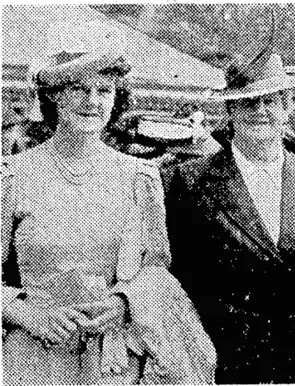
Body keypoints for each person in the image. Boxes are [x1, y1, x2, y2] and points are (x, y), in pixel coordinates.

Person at [1, 29, 216, 385]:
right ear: (53, 97)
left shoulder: (139, 177)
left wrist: (123, 303)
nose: (93, 102)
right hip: (34, 358)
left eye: (104, 91)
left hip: (112, 362)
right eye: (79, 90)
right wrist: (26, 313)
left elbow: (156, 272)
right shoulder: (12, 176)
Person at [165, 52, 295, 384]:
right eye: (248, 103)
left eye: (270, 101)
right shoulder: (188, 180)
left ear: (286, 108)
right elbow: (172, 268)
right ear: (230, 111)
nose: (260, 111)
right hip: (223, 354)